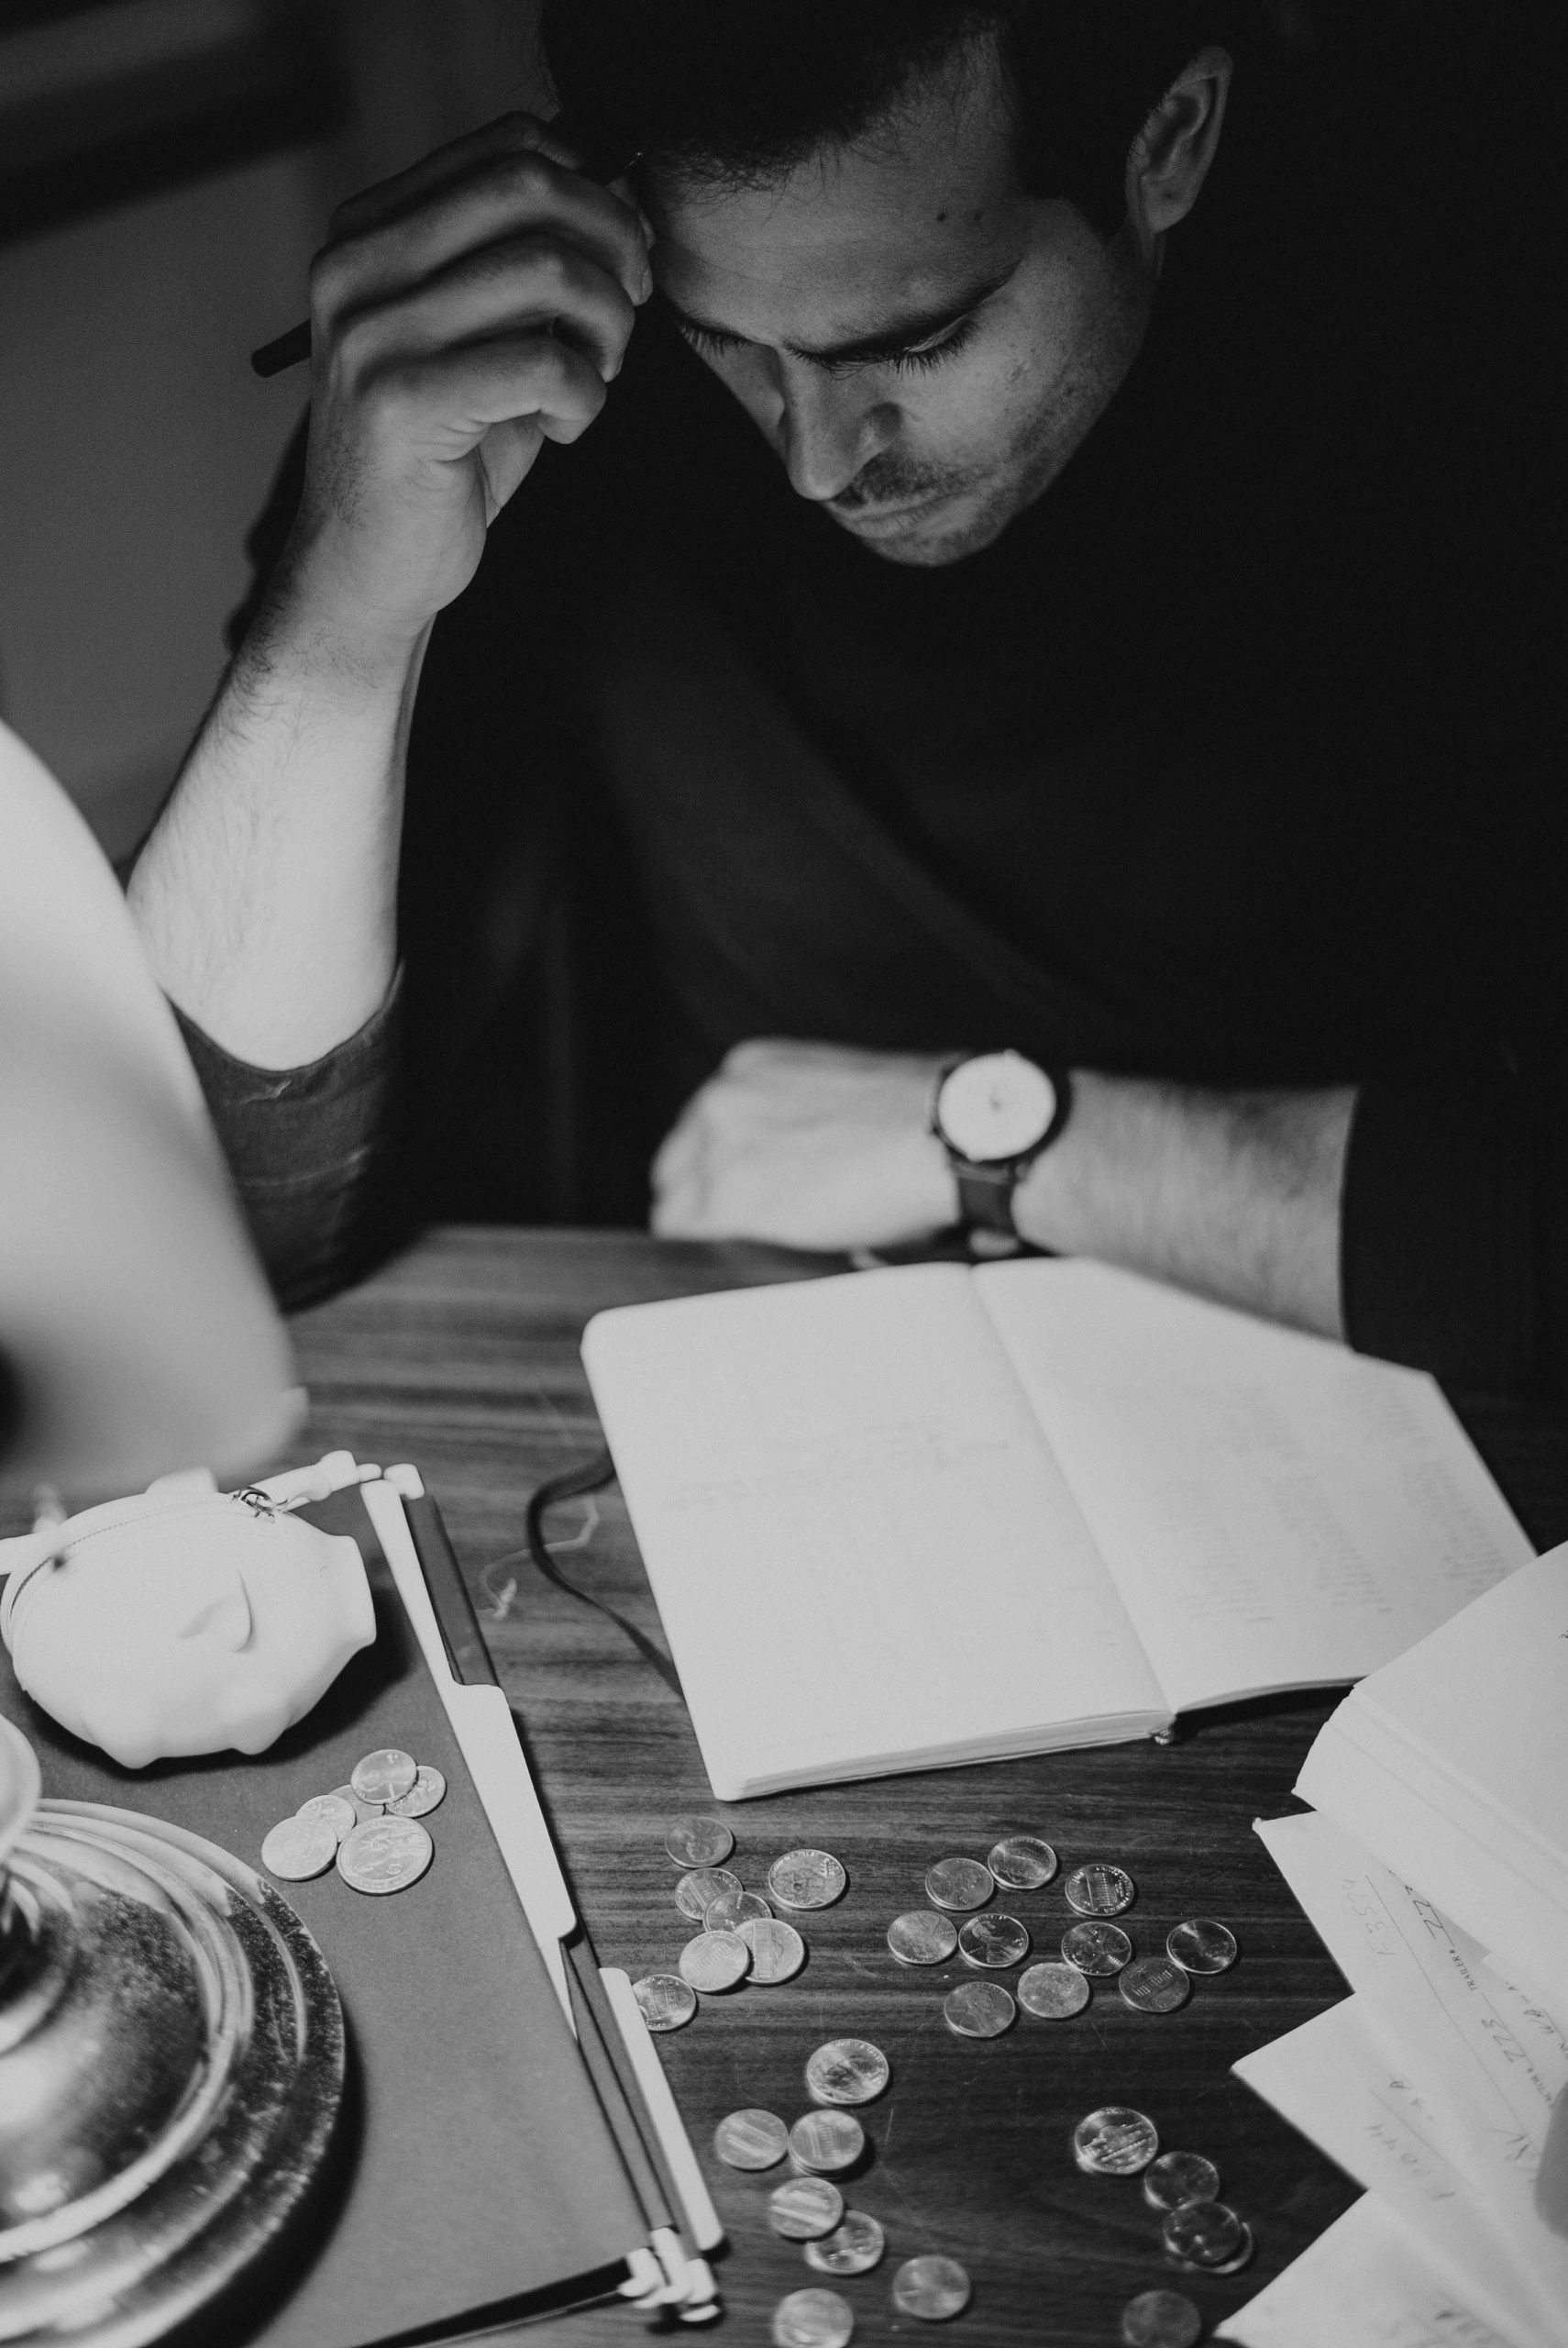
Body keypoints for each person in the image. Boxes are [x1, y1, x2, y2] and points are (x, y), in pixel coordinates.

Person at [127, 1, 1563, 1389]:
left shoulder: (1462, 378)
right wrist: (337, 618)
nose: (816, 460)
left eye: (909, 342)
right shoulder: (548, 397)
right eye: (722, 341)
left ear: (1169, 139)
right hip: (751, 1376)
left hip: (1364, 1420)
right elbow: (200, 1235)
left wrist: (996, 1140)